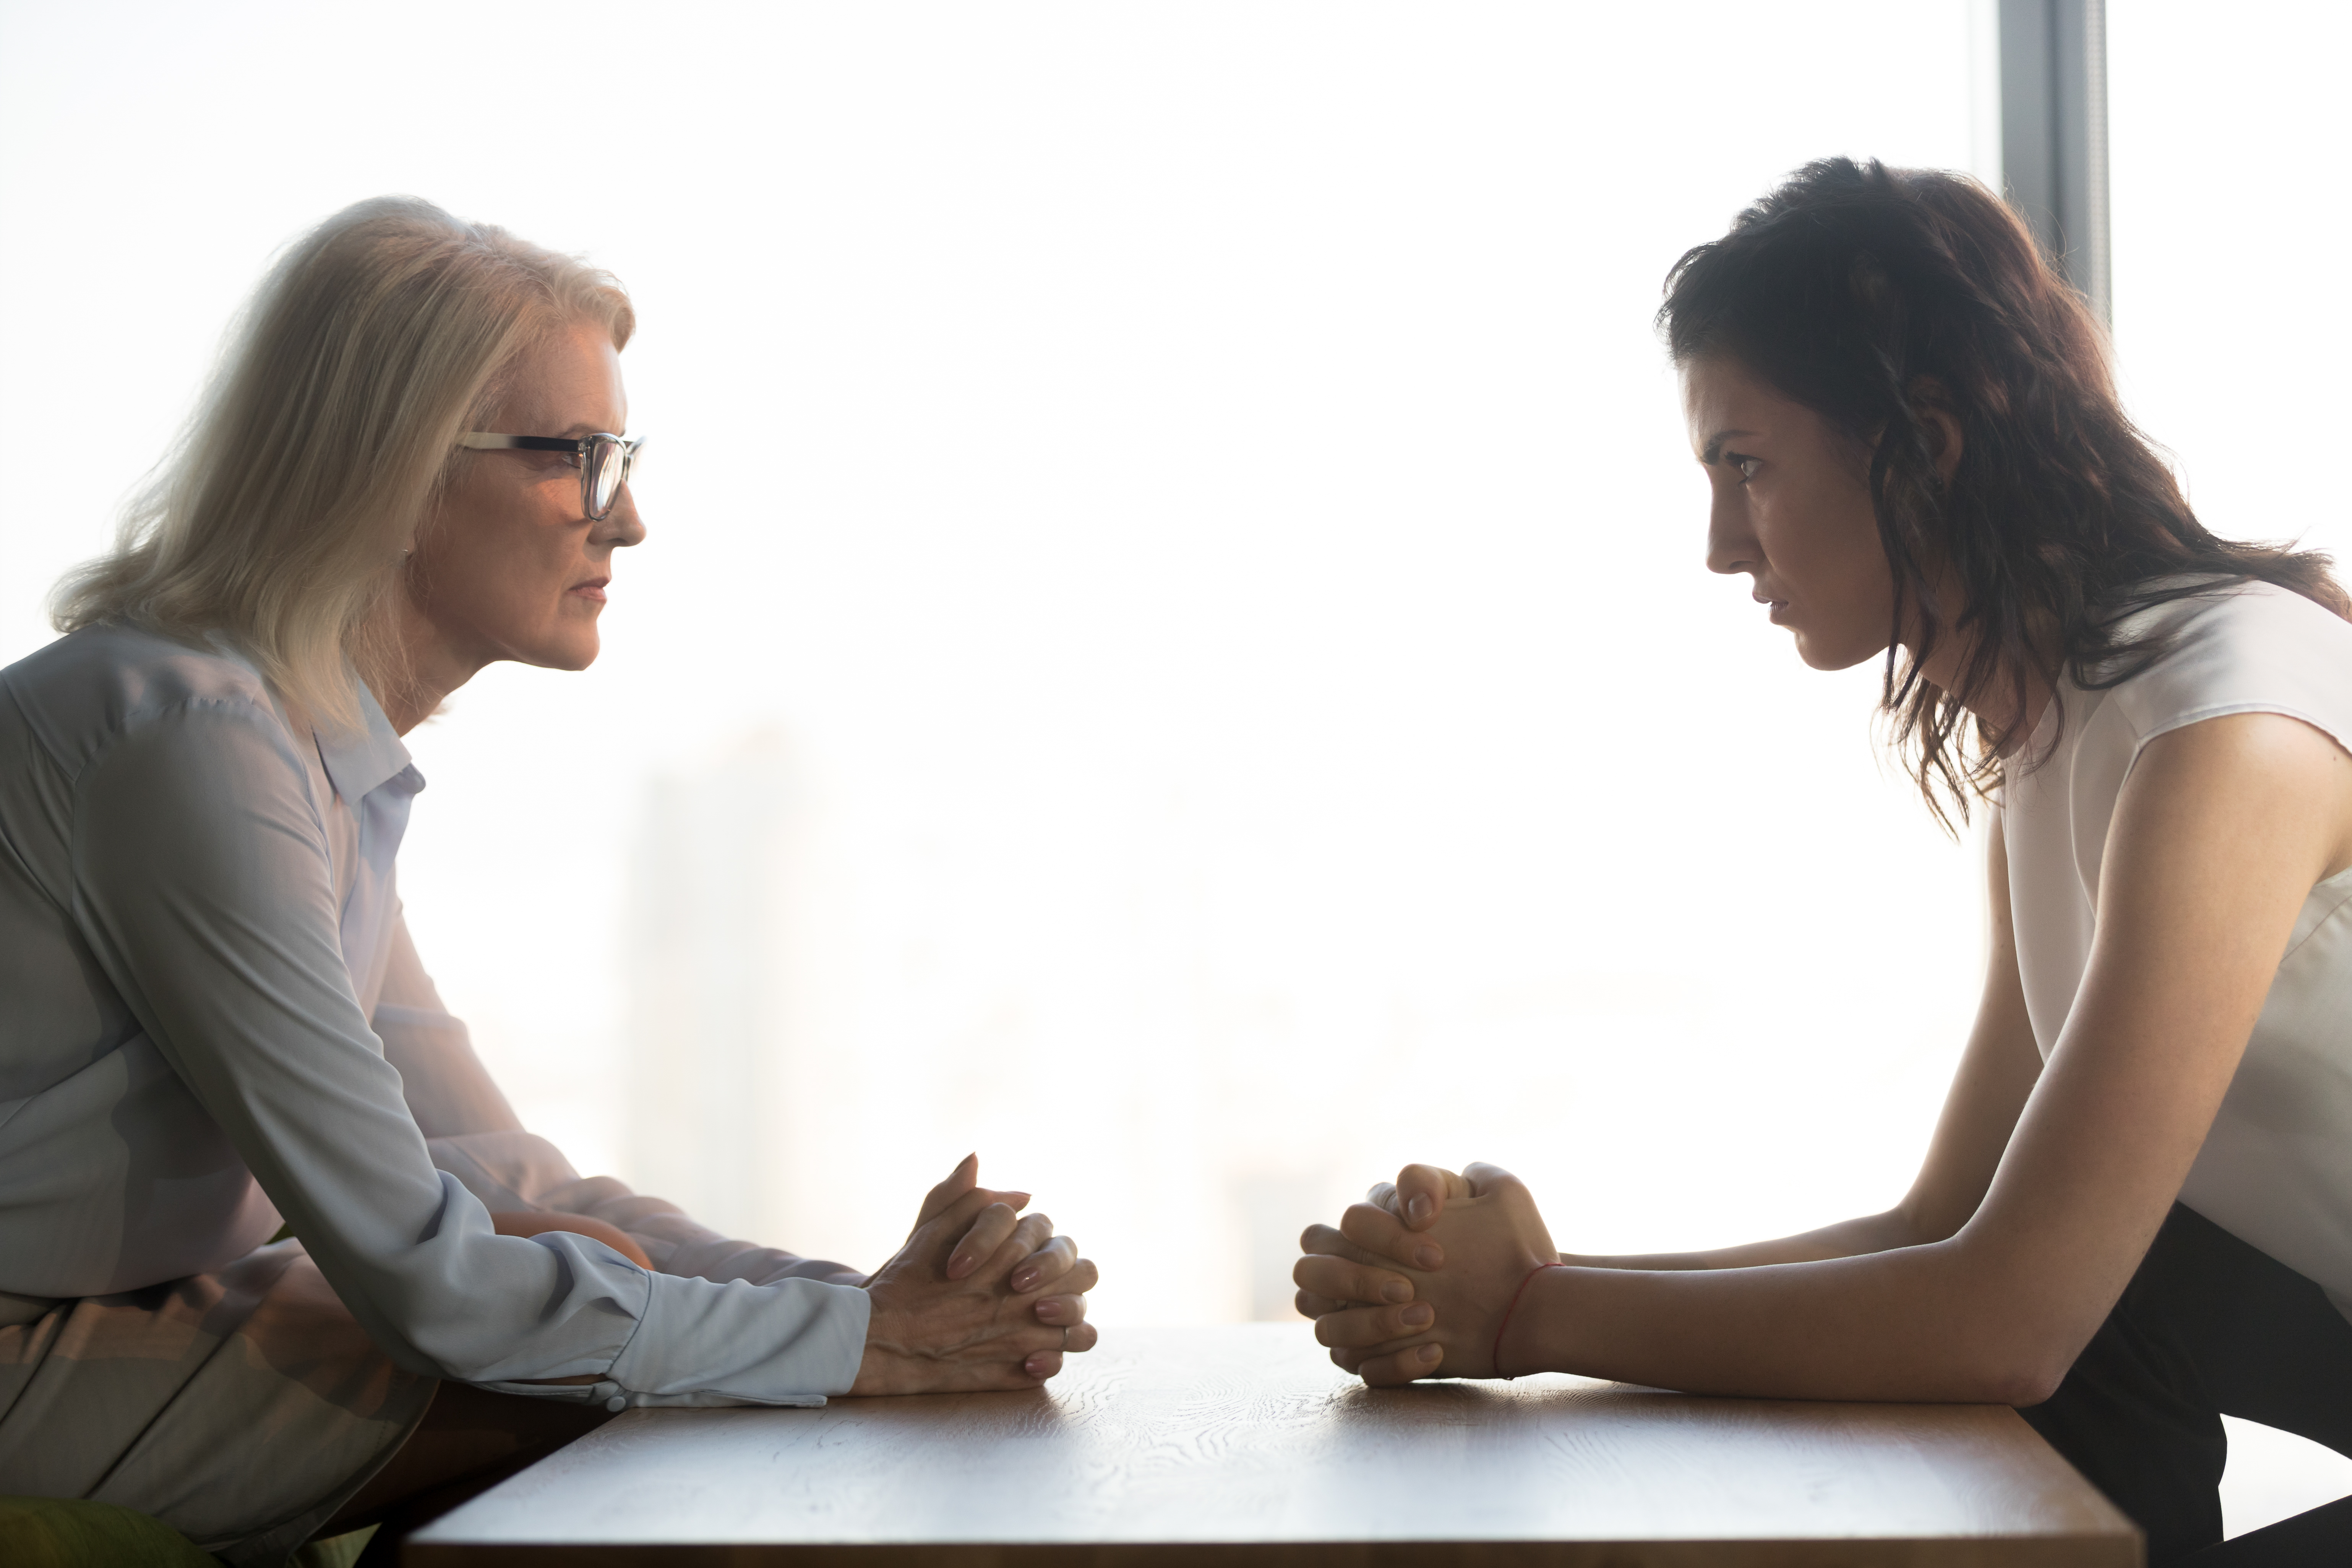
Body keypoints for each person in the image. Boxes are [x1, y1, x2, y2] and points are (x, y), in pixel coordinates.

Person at [0, 197, 1097, 1564]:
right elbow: (429, 1279)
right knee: (601, 1345)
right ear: (392, 471)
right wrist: (874, 1340)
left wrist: (865, 1296)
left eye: (619, 456)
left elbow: (491, 1164)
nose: (626, 519)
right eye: (577, 458)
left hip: (93, 1326)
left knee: (594, 1268)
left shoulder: (290, 754)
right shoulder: (190, 744)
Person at [1294, 157, 2352, 1565]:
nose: (1723, 546)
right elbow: (1946, 1225)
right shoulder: (2053, 739)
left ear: (1924, 441)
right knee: (2091, 1270)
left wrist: (1523, 1317)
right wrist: (1510, 1291)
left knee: (2073, 1299)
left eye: (1746, 466)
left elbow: (2004, 1321)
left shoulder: (2228, 722)